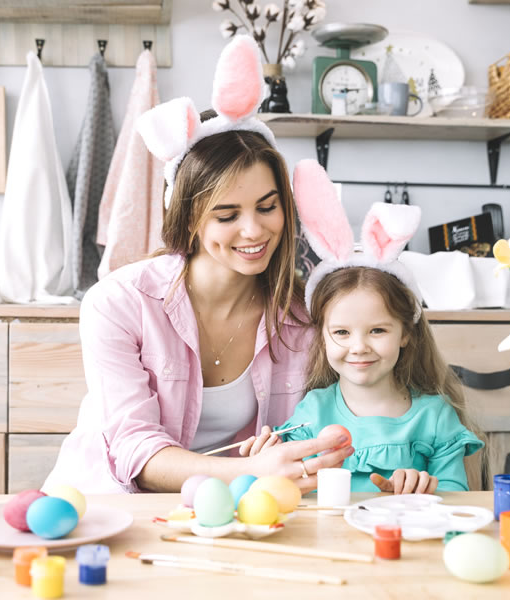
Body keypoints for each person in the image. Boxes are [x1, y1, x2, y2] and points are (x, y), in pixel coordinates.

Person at [43, 36, 353, 494]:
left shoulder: (303, 319)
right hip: (107, 505)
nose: (253, 231)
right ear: (188, 219)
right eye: (227, 215)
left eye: (267, 207)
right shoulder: (118, 303)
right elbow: (133, 449)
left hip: (231, 510)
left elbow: (331, 420)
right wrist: (253, 472)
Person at [240, 160, 484, 494]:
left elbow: (457, 497)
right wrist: (263, 464)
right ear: (322, 336)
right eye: (341, 332)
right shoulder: (313, 412)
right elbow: (288, 491)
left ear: (406, 333)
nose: (359, 347)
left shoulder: (434, 417)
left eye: (377, 331)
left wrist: (428, 489)